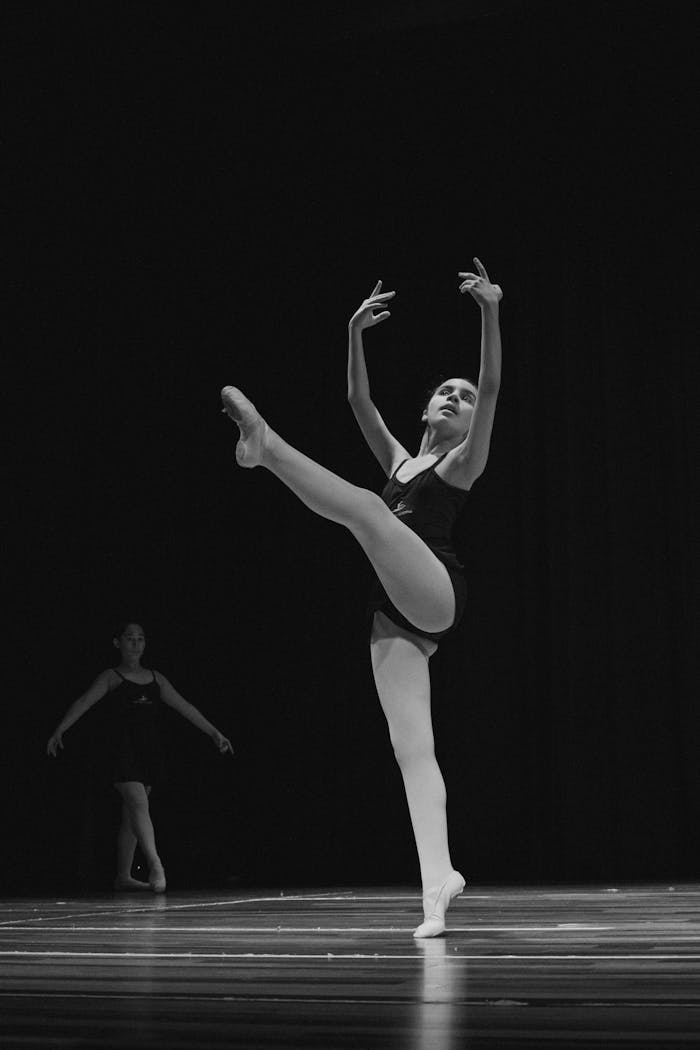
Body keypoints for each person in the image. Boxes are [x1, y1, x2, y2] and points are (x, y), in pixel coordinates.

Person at [220, 257, 502, 936]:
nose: (456, 398)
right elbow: (357, 403)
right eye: (446, 391)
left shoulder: (461, 463)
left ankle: (268, 447)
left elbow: (492, 387)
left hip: (436, 592)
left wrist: (491, 312)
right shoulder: (402, 462)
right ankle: (438, 884)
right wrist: (353, 331)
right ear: (427, 408)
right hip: (391, 612)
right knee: (413, 748)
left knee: (369, 517)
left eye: (463, 398)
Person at [46, 622, 233, 893]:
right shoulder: (111, 677)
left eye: (140, 638)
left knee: (132, 815)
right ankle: (156, 864)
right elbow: (84, 702)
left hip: (147, 752)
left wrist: (214, 732)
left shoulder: (156, 678)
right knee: (137, 802)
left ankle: (123, 874)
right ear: (117, 643)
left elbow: (185, 706)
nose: (135, 643)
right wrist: (60, 729)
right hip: (119, 751)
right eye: (130, 638)